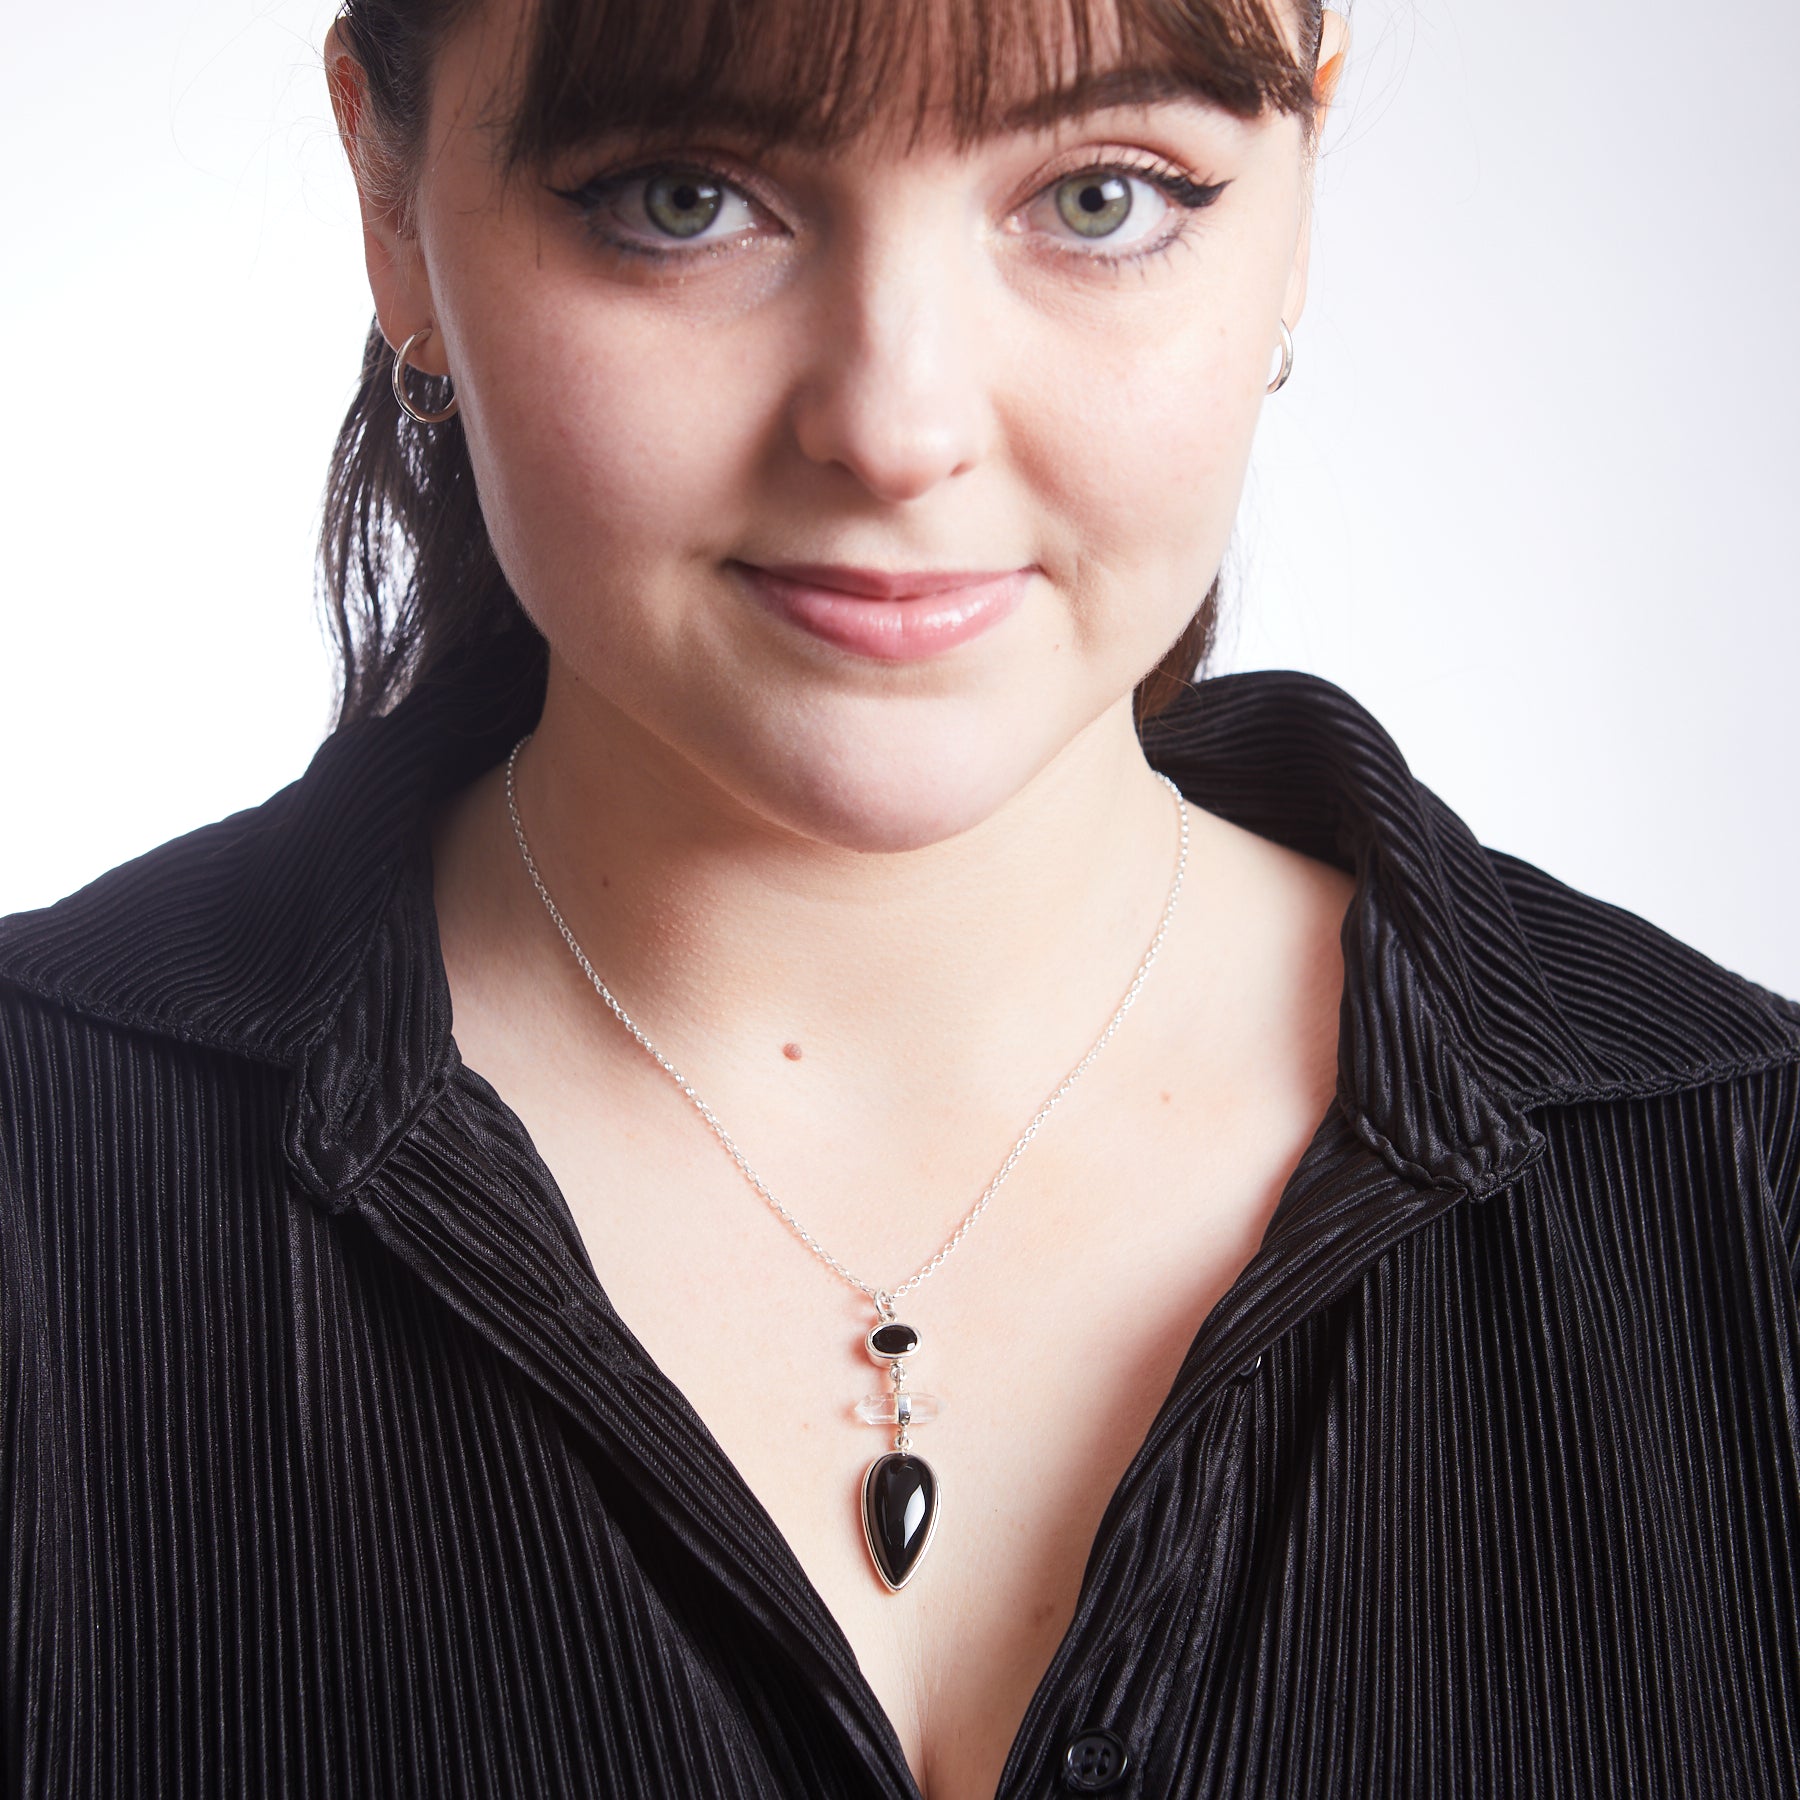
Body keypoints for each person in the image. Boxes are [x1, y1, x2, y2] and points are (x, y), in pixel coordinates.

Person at [2, 0, 1797, 1795]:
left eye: (1102, 197)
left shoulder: (1748, 1191)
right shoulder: (40, 1172)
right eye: (683, 197)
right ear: (391, 204)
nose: (898, 426)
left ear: (1298, 201)